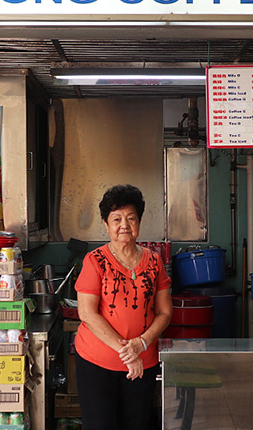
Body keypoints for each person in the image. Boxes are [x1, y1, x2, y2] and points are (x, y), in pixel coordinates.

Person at [74, 184, 172, 430]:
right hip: (97, 363)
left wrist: (141, 343)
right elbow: (86, 312)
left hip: (143, 361)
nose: (124, 225)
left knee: (137, 425)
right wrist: (128, 353)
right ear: (106, 224)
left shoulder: (154, 261)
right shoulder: (95, 260)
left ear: (139, 222)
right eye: (116, 219)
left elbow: (164, 312)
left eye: (131, 218)